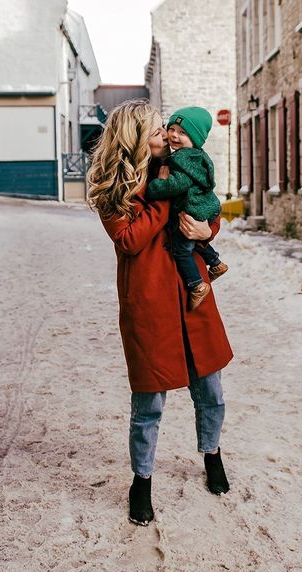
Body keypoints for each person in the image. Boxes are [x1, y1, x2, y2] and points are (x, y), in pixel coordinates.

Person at [87, 100, 233, 526]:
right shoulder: (111, 187)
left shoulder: (177, 163)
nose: (166, 135)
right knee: (149, 401)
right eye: (156, 130)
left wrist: (207, 229)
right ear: (134, 138)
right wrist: (166, 201)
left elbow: (205, 203)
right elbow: (129, 239)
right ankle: (142, 480)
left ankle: (212, 453)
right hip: (149, 302)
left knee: (211, 390)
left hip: (192, 294)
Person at [146, 106, 228, 311]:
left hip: (194, 210)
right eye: (172, 129)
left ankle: (196, 284)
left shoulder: (182, 159)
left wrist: (156, 186)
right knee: (194, 241)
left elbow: (177, 184)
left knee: (181, 250)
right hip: (207, 207)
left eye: (182, 133)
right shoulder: (198, 156)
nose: (174, 135)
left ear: (195, 138)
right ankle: (216, 263)